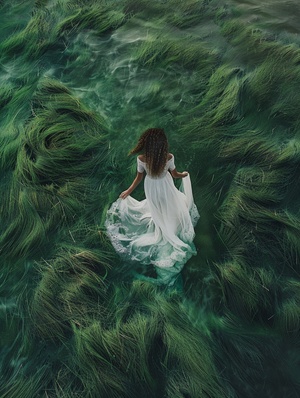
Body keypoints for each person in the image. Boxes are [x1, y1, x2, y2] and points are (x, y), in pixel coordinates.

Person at [105, 128, 199, 285]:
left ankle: (161, 223)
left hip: (152, 188)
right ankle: (169, 225)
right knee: (171, 205)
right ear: (163, 145)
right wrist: (183, 175)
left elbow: (138, 178)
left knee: (157, 208)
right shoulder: (168, 157)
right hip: (166, 186)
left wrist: (128, 191)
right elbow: (175, 175)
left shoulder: (142, 159)